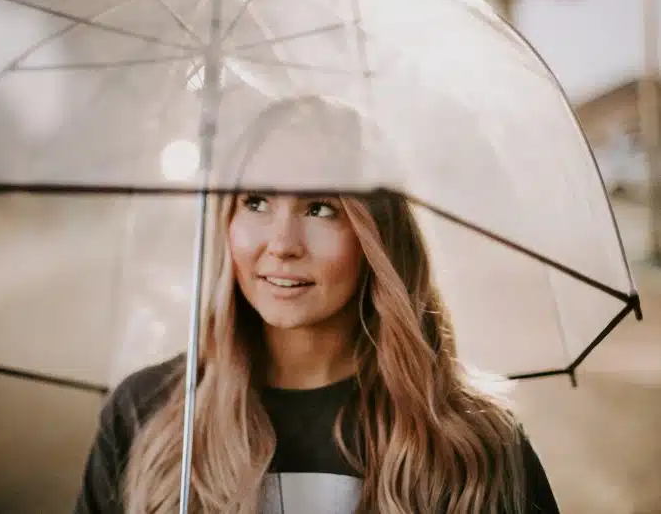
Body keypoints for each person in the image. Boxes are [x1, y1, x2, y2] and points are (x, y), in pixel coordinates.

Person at [74, 98, 560, 514]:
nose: (282, 244)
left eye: (321, 208)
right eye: (257, 201)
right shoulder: (145, 419)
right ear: (226, 219)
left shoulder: (475, 444)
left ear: (376, 236)